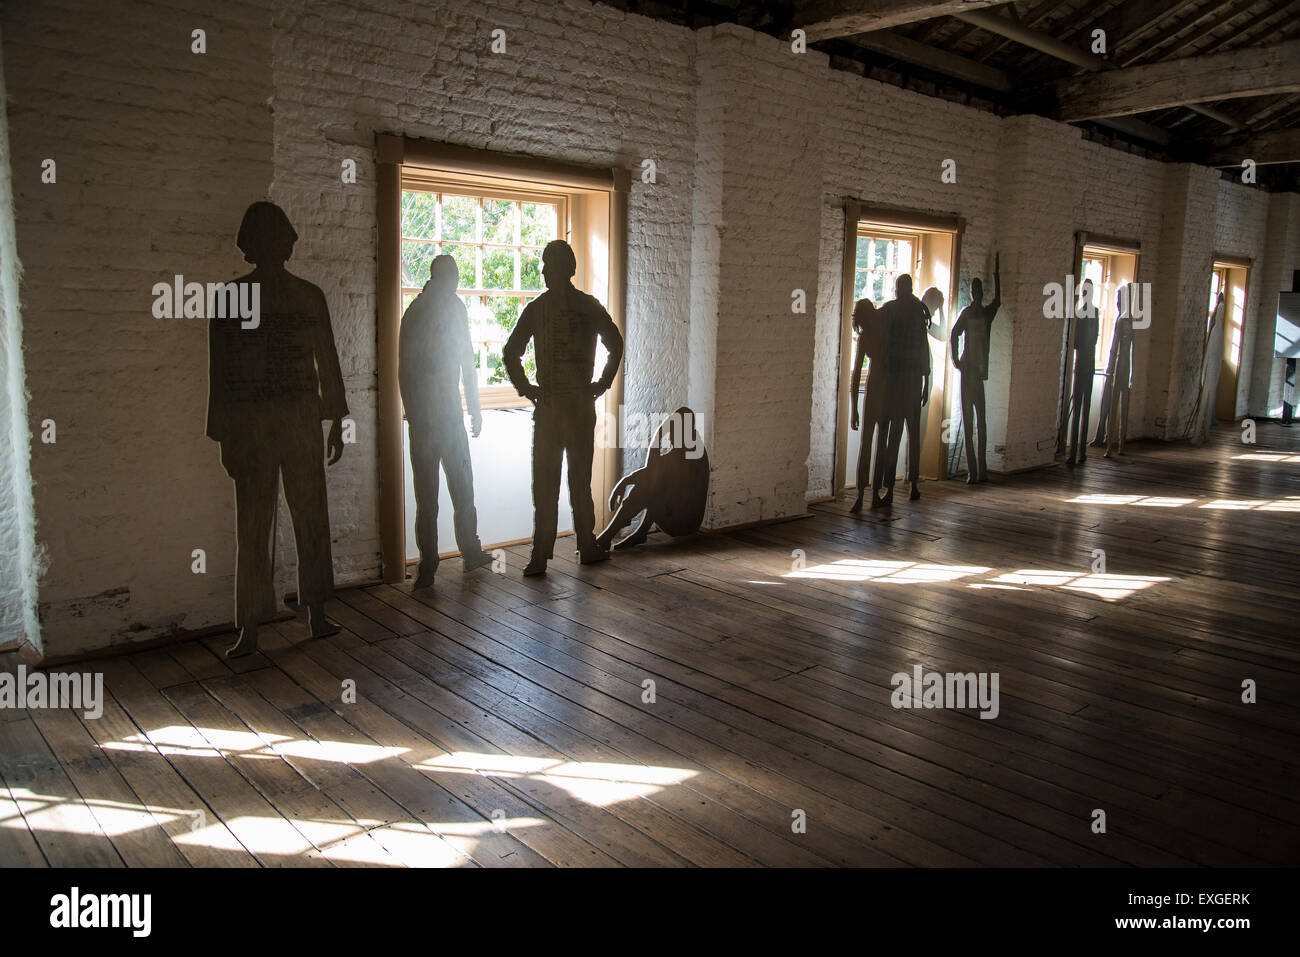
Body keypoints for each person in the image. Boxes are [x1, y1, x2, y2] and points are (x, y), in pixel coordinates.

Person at [207, 202, 346, 658]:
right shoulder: (243, 299)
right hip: (268, 424)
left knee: (296, 520)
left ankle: (304, 615)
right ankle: (258, 624)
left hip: (288, 421)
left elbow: (327, 360)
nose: (283, 244)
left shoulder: (305, 296)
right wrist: (225, 434)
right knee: (266, 523)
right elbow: (223, 374)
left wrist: (337, 418)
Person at [503, 240, 624, 576]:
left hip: (557, 407)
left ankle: (550, 553)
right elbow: (615, 346)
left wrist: (530, 390)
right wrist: (599, 385)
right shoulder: (584, 306)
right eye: (544, 265)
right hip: (572, 407)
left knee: (553, 483)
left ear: (564, 269)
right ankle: (578, 547)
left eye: (548, 265)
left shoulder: (542, 308)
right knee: (570, 482)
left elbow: (511, 353)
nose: (543, 271)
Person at [399, 255, 493, 588]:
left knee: (452, 490)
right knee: (437, 495)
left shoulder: (433, 310)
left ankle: (456, 556)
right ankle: (438, 561)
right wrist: (416, 416)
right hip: (435, 417)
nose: (455, 283)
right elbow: (407, 371)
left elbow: (465, 361)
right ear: (442, 277)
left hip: (439, 416)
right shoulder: (429, 312)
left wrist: (475, 408)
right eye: (453, 276)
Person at [878, 274, 931, 505]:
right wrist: (926, 380)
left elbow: (885, 344)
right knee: (911, 434)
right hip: (912, 379)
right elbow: (923, 347)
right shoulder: (919, 310)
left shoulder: (892, 310)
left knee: (896, 434)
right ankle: (913, 485)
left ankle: (891, 488)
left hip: (898, 380)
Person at [949, 254, 1001, 482]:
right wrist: (955, 360)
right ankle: (972, 470)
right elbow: (953, 334)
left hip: (979, 372)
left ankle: (982, 470)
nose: (977, 293)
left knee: (982, 421)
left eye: (980, 290)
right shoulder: (967, 313)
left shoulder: (986, 314)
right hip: (968, 370)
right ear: (972, 293)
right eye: (975, 289)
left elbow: (998, 301)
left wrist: (997, 275)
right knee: (969, 422)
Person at [847, 297, 889, 513]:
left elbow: (855, 374)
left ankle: (867, 494)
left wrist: (854, 407)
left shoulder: (872, 335)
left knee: (872, 442)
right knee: (875, 442)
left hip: (878, 386)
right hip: (881, 386)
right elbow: (855, 374)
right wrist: (853, 407)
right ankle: (868, 494)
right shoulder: (878, 334)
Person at [1066, 278, 1099, 466]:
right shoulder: (1090, 312)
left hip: (1084, 364)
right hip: (1086, 363)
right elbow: (1089, 339)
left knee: (1081, 409)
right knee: (1081, 409)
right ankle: (1078, 452)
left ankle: (1078, 452)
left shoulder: (1085, 313)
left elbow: (1079, 341)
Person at [1105, 284, 1136, 458]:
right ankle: (1119, 445)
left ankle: (1111, 445)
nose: (1117, 303)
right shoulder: (1129, 319)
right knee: (1121, 407)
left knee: (1115, 406)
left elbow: (1114, 347)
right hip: (1126, 367)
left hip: (1120, 367)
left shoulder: (1123, 320)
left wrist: (1110, 369)